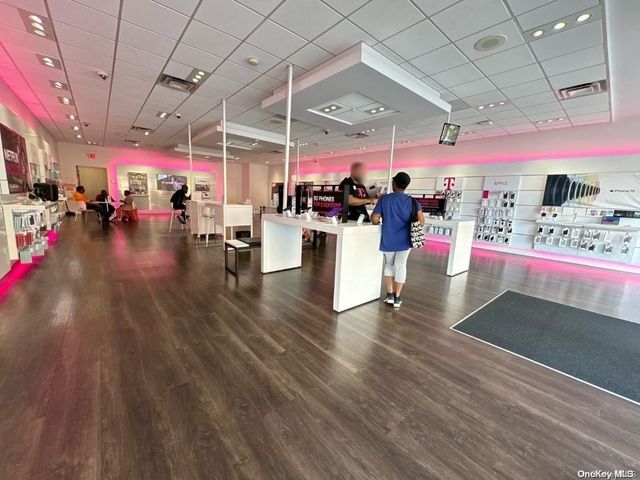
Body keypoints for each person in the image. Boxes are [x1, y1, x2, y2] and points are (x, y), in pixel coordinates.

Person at [371, 172, 425, 309]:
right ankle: (398, 297)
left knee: (389, 265)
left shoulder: (384, 199)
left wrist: (381, 221)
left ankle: (389, 294)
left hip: (388, 239)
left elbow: (375, 219)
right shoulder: (413, 201)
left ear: (394, 183)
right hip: (405, 241)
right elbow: (421, 222)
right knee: (401, 266)